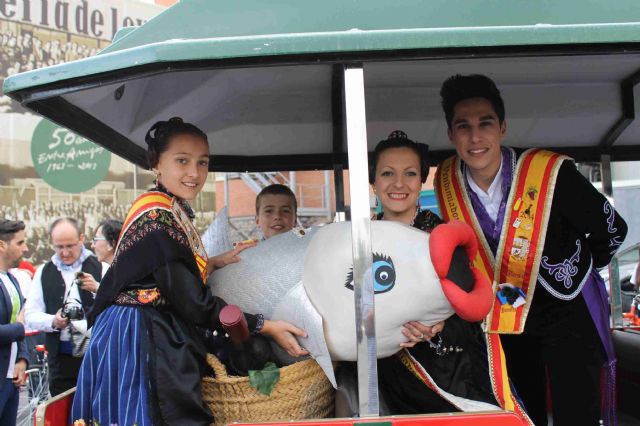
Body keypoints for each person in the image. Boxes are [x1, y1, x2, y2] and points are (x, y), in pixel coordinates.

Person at [71, 117, 308, 426]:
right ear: (157, 163)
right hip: (140, 336)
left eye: (202, 163)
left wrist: (213, 262)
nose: (194, 174)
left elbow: (161, 272)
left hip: (141, 327)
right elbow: (195, 304)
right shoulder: (158, 219)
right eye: (182, 161)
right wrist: (265, 325)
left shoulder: (168, 207)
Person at [435, 74, 628, 426]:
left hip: (565, 314)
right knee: (520, 417)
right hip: (503, 323)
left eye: (485, 123)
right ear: (451, 134)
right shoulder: (447, 183)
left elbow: (613, 231)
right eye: (463, 126)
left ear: (504, 127)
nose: (475, 137)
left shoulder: (551, 173)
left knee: (577, 416)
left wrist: (577, 272)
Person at [360, 131, 528, 420]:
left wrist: (436, 328)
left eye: (410, 173)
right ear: (373, 182)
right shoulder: (359, 243)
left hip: (446, 374)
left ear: (421, 181)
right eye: (387, 173)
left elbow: (471, 313)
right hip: (383, 374)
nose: (399, 183)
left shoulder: (444, 238)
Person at [24, 217, 105, 396]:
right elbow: (30, 315)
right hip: (60, 361)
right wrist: (53, 320)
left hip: (96, 356)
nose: (65, 252)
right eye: (59, 247)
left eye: (70, 246)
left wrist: (97, 289)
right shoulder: (44, 272)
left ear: (81, 239)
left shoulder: (100, 266)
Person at [0, 219, 29, 426]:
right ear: (2, 245)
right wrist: (19, 328)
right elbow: (20, 325)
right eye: (20, 243)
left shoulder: (12, 280)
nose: (25, 248)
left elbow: (21, 323)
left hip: (11, 381)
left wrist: (22, 358)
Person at [76, 219, 124, 294]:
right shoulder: (110, 272)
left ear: (111, 244)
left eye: (96, 239)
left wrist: (98, 288)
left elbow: (124, 300)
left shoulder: (127, 274)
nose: (92, 245)